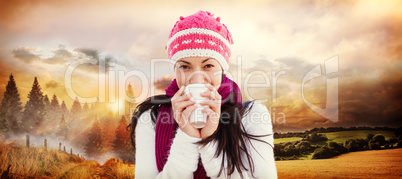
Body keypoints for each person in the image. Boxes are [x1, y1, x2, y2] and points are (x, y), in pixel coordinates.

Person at [129, 10, 277, 178]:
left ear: (222, 68)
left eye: (208, 66)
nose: (197, 79)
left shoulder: (252, 115)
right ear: (175, 70)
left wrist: (209, 140)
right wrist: (186, 136)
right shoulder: (151, 117)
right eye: (185, 67)